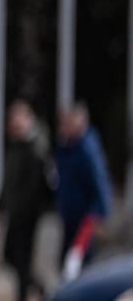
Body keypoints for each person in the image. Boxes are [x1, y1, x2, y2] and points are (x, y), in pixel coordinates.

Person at [0, 100, 54, 301]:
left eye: (16, 119)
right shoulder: (15, 146)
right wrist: (0, 206)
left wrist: (20, 208)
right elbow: (8, 181)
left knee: (21, 257)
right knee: (10, 256)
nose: (12, 123)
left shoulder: (36, 148)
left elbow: (36, 187)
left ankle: (24, 299)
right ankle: (37, 288)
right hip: (14, 212)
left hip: (27, 215)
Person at [55, 102, 112, 271]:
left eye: (69, 122)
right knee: (66, 261)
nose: (65, 126)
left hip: (86, 215)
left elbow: (100, 180)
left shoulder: (87, 148)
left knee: (77, 261)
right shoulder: (66, 147)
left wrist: (103, 212)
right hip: (70, 214)